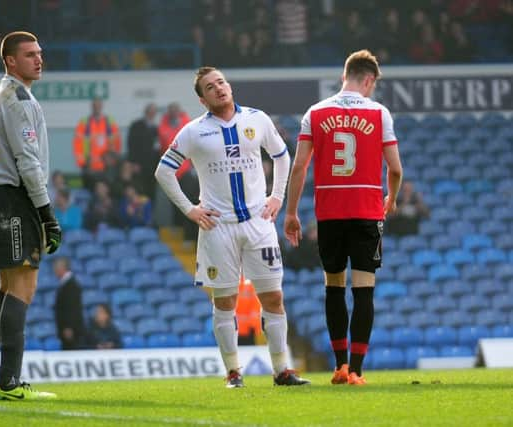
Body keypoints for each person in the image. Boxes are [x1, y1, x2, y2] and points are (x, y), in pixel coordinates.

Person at [155, 66, 309, 388]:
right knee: (225, 302)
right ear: (202, 98)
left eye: (222, 82)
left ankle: (282, 370)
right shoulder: (193, 131)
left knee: (274, 297)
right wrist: (190, 209)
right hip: (218, 227)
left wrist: (277, 196)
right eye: (211, 87)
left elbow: (282, 157)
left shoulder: (257, 118)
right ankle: (233, 373)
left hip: (258, 222)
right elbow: (163, 172)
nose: (219, 88)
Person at [284, 49, 403, 386]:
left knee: (333, 287)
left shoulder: (315, 112)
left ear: (344, 76)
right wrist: (391, 198)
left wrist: (291, 213)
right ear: (368, 80)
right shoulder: (379, 113)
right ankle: (357, 371)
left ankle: (338, 365)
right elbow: (395, 168)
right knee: (363, 291)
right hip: (366, 214)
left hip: (330, 215)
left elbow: (299, 167)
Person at [0, 31, 61, 400]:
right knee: (22, 288)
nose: (38, 59)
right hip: (14, 199)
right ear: (10, 61)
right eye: (30, 54)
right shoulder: (17, 100)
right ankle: (9, 382)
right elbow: (27, 162)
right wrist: (47, 214)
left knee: (5, 286)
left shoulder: (1, 97)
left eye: (40, 52)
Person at [72, 97, 122, 190]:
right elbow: (77, 144)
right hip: (89, 167)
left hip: (107, 168)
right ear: (92, 107)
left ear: (102, 106)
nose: (97, 108)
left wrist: (113, 161)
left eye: (99, 105)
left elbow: (117, 142)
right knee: (90, 193)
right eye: (95, 105)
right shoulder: (84, 122)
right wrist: (83, 163)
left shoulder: (110, 121)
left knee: (107, 192)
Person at [127, 103, 159, 199]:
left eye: (154, 112)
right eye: (150, 112)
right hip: (139, 166)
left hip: (152, 167)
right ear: (146, 112)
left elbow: (157, 149)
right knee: (140, 191)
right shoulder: (136, 126)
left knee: (151, 192)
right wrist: (133, 163)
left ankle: (149, 213)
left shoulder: (156, 129)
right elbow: (131, 145)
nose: (152, 114)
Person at [53, 257, 85, 350]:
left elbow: (72, 308)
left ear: (62, 268)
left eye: (55, 268)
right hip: (66, 329)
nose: (54, 271)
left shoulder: (71, 285)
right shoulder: (66, 283)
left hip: (71, 330)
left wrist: (69, 327)